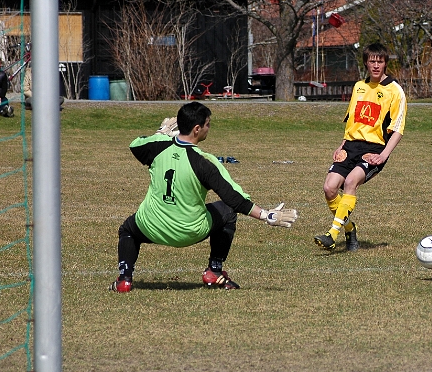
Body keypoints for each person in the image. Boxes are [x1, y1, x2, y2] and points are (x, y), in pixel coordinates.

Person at [110, 101, 298, 292]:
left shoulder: (158, 147)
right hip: (188, 232)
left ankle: (124, 279)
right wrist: (267, 215)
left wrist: (161, 133)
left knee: (128, 230)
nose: (209, 128)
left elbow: (135, 145)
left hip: (151, 226)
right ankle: (214, 270)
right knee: (228, 212)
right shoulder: (204, 162)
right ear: (197, 129)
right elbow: (234, 198)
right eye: (208, 124)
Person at [314, 42, 407, 251]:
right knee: (329, 188)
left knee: (350, 182)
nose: (376, 65)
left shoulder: (395, 91)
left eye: (380, 61)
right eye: (372, 61)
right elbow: (352, 122)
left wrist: (383, 156)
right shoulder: (359, 87)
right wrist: (341, 146)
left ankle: (332, 233)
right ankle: (349, 229)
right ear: (366, 62)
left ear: (385, 64)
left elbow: (398, 130)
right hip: (351, 146)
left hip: (374, 149)